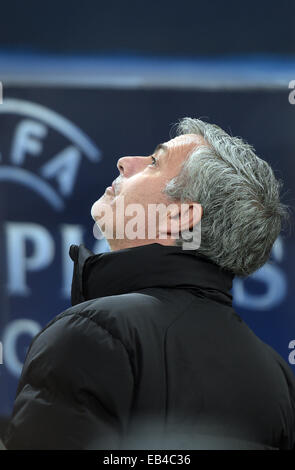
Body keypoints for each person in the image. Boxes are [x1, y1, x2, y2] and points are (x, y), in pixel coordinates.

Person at [3, 117, 295, 450]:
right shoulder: (277, 380)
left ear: (181, 217)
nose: (125, 163)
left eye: (154, 162)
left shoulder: (94, 333)